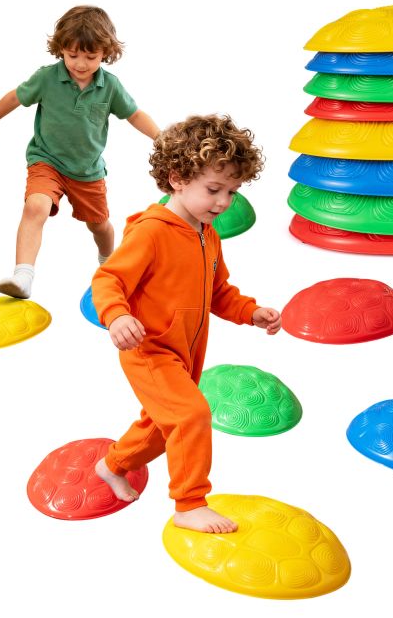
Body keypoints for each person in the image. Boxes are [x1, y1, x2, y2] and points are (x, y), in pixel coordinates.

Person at [91, 114, 282, 533]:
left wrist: (250, 312)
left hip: (186, 352)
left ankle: (112, 466)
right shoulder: (151, 233)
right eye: (214, 189)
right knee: (192, 416)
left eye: (232, 191)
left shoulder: (207, 234)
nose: (224, 202)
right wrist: (117, 315)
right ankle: (190, 504)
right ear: (177, 179)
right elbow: (108, 279)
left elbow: (219, 292)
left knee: (161, 428)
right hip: (148, 350)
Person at [0, 5, 159, 299]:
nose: (81, 64)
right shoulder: (47, 78)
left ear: (105, 52)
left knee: (100, 226)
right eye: (73, 55)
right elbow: (14, 98)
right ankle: (23, 276)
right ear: (61, 49)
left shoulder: (110, 86)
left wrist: (160, 137)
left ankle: (109, 267)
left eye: (91, 57)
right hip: (46, 160)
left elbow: (134, 115)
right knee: (35, 207)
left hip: (87, 171)